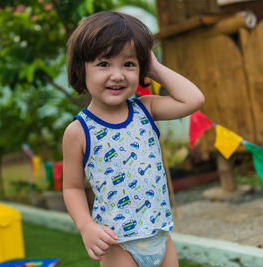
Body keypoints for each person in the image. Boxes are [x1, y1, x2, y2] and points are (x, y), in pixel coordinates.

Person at [62, 11, 205, 267]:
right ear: (80, 68)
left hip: (160, 235)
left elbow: (193, 99)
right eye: (104, 64)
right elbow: (72, 187)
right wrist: (86, 227)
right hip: (117, 244)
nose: (117, 75)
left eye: (129, 64)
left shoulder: (146, 109)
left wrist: (155, 68)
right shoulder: (79, 131)